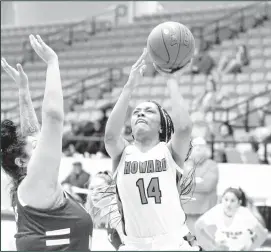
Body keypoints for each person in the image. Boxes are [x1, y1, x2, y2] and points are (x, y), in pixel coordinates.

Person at [1, 35, 93, 251]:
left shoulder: (26, 186)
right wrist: (52, 63)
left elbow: (31, 132)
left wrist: (23, 92)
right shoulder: (34, 184)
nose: (41, 141)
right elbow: (52, 117)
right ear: (21, 161)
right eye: (36, 145)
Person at [104, 48, 194, 250]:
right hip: (135, 244)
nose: (141, 114)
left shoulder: (169, 151)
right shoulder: (122, 153)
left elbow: (185, 128)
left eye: (149, 111)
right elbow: (110, 136)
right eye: (136, 112)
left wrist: (171, 80)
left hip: (172, 241)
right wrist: (129, 87)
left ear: (161, 125)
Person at [195, 187, 268, 251]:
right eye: (226, 200)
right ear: (222, 200)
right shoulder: (217, 210)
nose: (228, 204)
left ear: (239, 202)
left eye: (232, 201)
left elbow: (263, 234)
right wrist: (213, 244)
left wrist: (250, 248)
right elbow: (198, 226)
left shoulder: (245, 214)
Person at [181, 137, 219, 236]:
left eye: (201, 147)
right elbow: (180, 184)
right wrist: (198, 181)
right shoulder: (184, 165)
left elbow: (207, 186)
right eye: (195, 147)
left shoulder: (212, 165)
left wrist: (190, 182)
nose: (198, 149)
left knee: (205, 240)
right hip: (187, 211)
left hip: (205, 211)